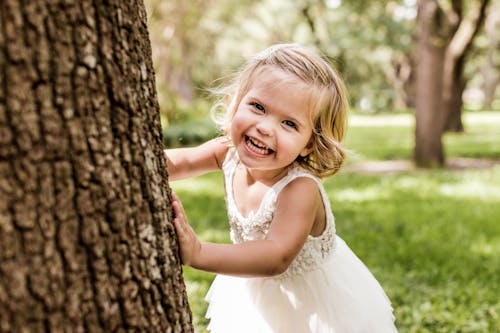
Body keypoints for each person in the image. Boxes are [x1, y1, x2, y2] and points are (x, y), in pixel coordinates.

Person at [165, 43, 397, 332]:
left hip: (315, 305)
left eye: (288, 123)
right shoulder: (226, 152)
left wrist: (199, 253)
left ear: (309, 143)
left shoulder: (299, 188)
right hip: (253, 289)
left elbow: (276, 256)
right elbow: (178, 162)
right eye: (258, 107)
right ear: (236, 102)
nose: (265, 127)